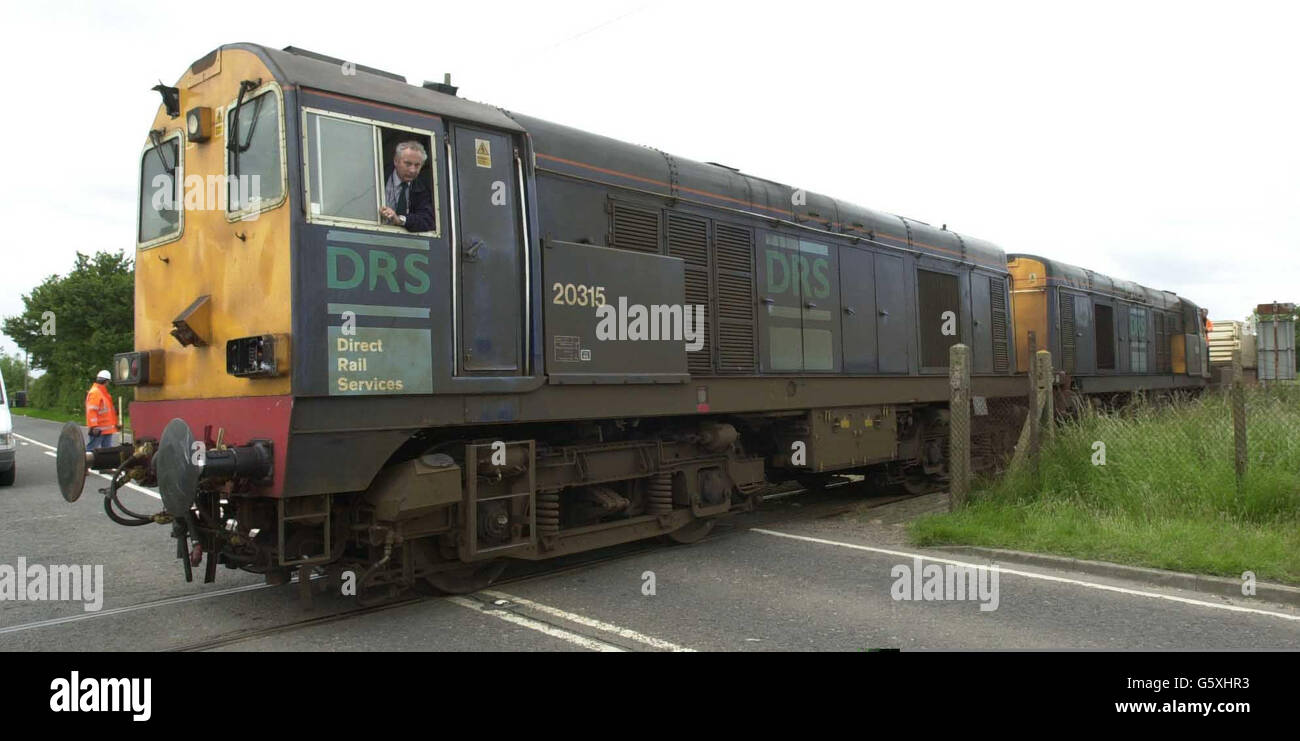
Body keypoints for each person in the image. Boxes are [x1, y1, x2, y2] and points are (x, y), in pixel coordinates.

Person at [379, 140, 435, 232]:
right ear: (396, 161)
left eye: (417, 165)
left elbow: (427, 221)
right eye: (408, 164)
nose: (412, 170)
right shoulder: (379, 176)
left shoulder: (423, 188)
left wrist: (400, 220)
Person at [85, 370, 119, 451]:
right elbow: (92, 410)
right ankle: (86, 463)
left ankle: (104, 463)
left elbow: (106, 410)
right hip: (98, 429)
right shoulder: (96, 392)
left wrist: (115, 413)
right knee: (92, 450)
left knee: (107, 452)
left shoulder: (103, 393)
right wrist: (94, 426)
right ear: (106, 381)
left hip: (106, 429)